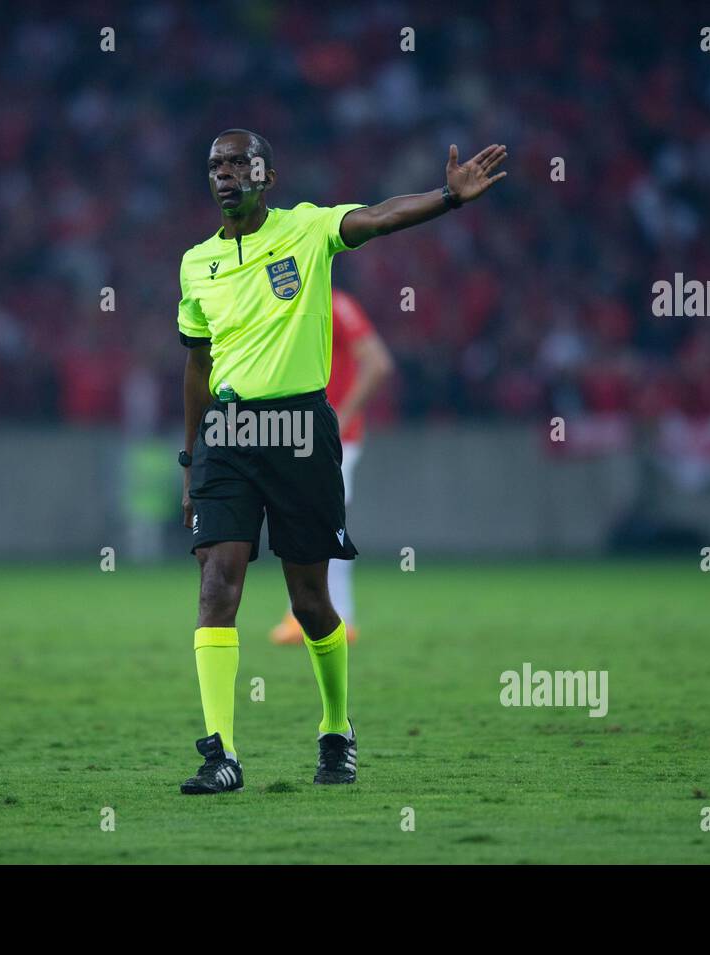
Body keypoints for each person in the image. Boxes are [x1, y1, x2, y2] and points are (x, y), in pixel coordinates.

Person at [176, 128, 507, 794]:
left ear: (266, 173)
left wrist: (448, 196)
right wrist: (190, 458)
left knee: (310, 602)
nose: (226, 173)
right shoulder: (194, 264)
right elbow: (197, 365)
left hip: (302, 431)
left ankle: (336, 728)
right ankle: (221, 753)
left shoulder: (308, 229)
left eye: (239, 162)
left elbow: (382, 217)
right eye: (215, 164)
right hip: (229, 434)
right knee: (218, 584)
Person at [270, 288, 394, 646]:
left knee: (323, 523)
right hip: (302, 433)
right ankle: (309, 614)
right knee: (308, 521)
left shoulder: (334, 304)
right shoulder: (291, 302)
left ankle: (337, 615)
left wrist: (344, 416)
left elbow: (378, 363)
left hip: (333, 437)